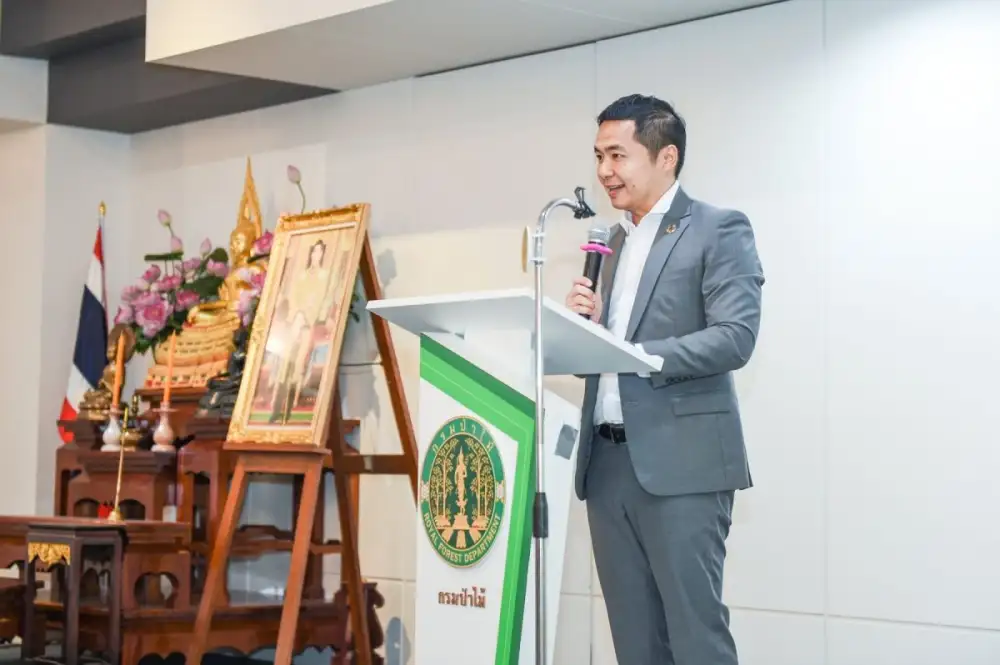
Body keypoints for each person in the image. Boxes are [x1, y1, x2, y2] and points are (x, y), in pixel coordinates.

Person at [565, 94, 764, 665]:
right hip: (607, 467)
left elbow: (735, 336)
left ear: (666, 156)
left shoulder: (717, 229)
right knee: (635, 643)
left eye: (618, 155)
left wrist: (632, 353)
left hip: (682, 465)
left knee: (695, 638)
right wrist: (580, 330)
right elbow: (598, 356)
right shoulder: (610, 242)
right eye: (599, 156)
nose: (605, 171)